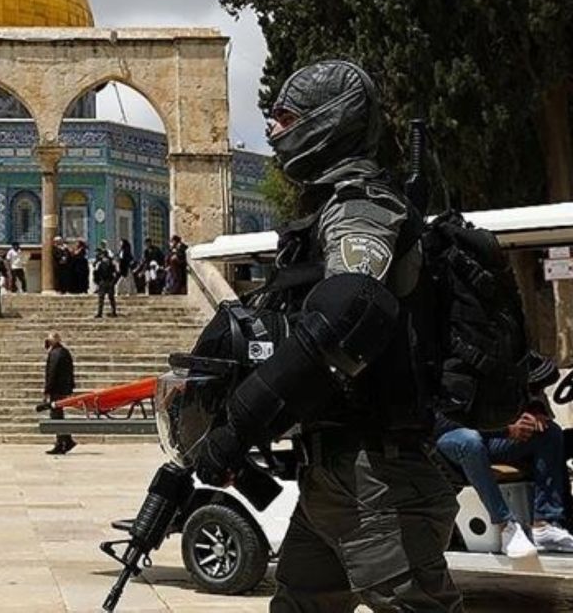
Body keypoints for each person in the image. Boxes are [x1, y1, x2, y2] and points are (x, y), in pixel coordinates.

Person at [191, 60, 462, 611]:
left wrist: (243, 419)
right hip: (333, 473)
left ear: (328, 122)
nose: (271, 129)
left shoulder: (360, 209)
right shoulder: (325, 213)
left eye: (286, 117)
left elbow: (348, 311)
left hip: (377, 478)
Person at [436, 354, 573, 557]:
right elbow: (443, 422)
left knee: (549, 432)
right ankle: (505, 524)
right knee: (470, 440)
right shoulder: (455, 367)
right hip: (450, 438)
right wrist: (505, 429)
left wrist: (534, 413)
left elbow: (531, 391)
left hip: (493, 437)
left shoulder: (504, 366)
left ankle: (545, 523)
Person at [43, 332, 76, 455]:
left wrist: (47, 390)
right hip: (63, 389)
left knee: (56, 416)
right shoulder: (64, 351)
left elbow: (52, 373)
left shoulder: (55, 353)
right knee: (58, 415)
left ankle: (62, 442)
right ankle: (66, 440)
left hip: (56, 389)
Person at [93, 248, 118, 318]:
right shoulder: (110, 263)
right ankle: (113, 312)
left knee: (103, 298)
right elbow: (116, 273)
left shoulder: (101, 263)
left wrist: (97, 282)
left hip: (104, 282)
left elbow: (96, 273)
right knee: (110, 298)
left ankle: (100, 313)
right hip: (108, 282)